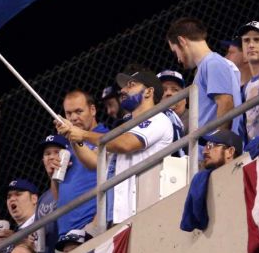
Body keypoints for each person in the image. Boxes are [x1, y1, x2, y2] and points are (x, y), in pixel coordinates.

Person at [57, 69, 173, 224]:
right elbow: (94, 161)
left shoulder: (158, 119)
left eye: (130, 85)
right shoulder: (124, 129)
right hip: (117, 216)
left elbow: (126, 144)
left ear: (148, 92)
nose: (123, 90)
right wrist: (72, 135)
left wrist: (83, 134)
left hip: (143, 211)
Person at [166, 17, 243, 138]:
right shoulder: (207, 65)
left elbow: (226, 103)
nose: (178, 59)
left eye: (175, 52)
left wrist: (219, 144)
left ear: (182, 41)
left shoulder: (212, 63)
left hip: (216, 149)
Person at [53, 89, 108, 238]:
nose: (74, 118)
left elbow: (95, 162)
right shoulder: (68, 148)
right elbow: (58, 196)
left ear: (92, 110)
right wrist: (52, 174)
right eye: (69, 114)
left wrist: (94, 225)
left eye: (78, 111)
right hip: (64, 233)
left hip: (89, 226)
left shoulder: (105, 136)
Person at [236, 21, 259, 143]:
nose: (251, 45)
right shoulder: (245, 87)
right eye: (246, 41)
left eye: (257, 40)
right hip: (254, 151)